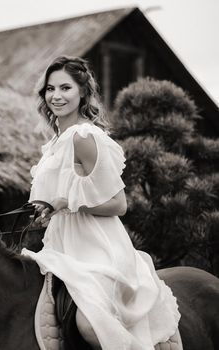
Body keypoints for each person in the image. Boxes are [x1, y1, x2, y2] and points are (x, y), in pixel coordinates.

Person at [21, 56, 180, 349]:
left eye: (65, 88)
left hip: (96, 249)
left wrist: (66, 203)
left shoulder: (84, 137)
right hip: (61, 245)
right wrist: (48, 207)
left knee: (90, 325)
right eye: (50, 89)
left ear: (83, 92)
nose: (56, 96)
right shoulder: (56, 142)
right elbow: (63, 198)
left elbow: (118, 204)